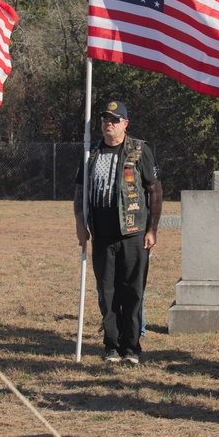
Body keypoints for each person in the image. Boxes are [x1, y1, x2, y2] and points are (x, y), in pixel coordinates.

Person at [74, 101, 162, 365]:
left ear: (125, 123)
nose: (108, 124)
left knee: (133, 292)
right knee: (107, 292)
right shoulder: (91, 152)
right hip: (102, 235)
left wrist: (152, 230)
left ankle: (132, 346)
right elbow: (80, 190)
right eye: (104, 119)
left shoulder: (139, 150)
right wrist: (80, 221)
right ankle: (111, 345)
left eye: (114, 119)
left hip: (134, 234)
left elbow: (154, 191)